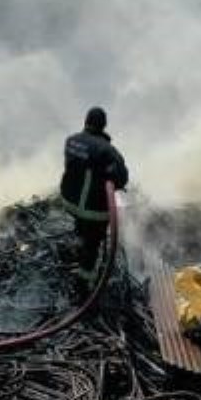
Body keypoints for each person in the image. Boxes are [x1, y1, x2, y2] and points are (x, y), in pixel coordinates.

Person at [59, 106, 129, 289]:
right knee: (93, 243)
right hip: (92, 210)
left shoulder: (71, 141)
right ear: (104, 125)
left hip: (69, 201)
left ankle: (78, 243)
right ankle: (84, 282)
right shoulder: (107, 151)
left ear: (86, 121)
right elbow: (121, 178)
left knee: (82, 226)